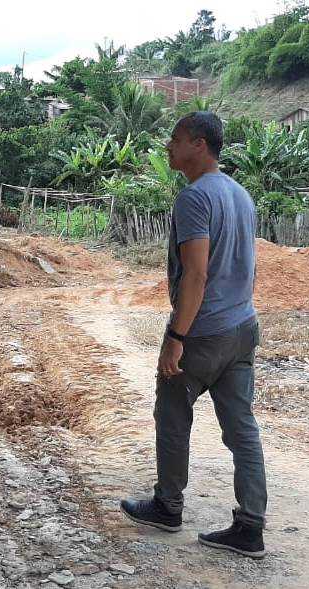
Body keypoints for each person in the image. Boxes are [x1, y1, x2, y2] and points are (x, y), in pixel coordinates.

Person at [120, 111, 267, 559]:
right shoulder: (240, 195)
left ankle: (167, 506)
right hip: (243, 327)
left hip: (204, 332)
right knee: (243, 430)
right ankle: (250, 527)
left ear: (199, 144)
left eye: (176, 139)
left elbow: (197, 274)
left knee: (171, 414)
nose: (169, 146)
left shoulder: (194, 198)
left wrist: (175, 336)